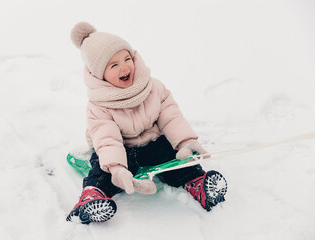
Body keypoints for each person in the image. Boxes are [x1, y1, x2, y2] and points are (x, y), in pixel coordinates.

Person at [66, 22, 227, 224]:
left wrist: (185, 141)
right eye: (114, 65)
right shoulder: (98, 105)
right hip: (121, 149)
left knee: (178, 161)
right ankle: (92, 197)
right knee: (102, 168)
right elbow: (107, 139)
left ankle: (199, 184)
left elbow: (171, 116)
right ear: (100, 75)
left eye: (127, 59)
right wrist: (117, 168)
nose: (125, 67)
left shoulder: (152, 87)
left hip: (154, 143)